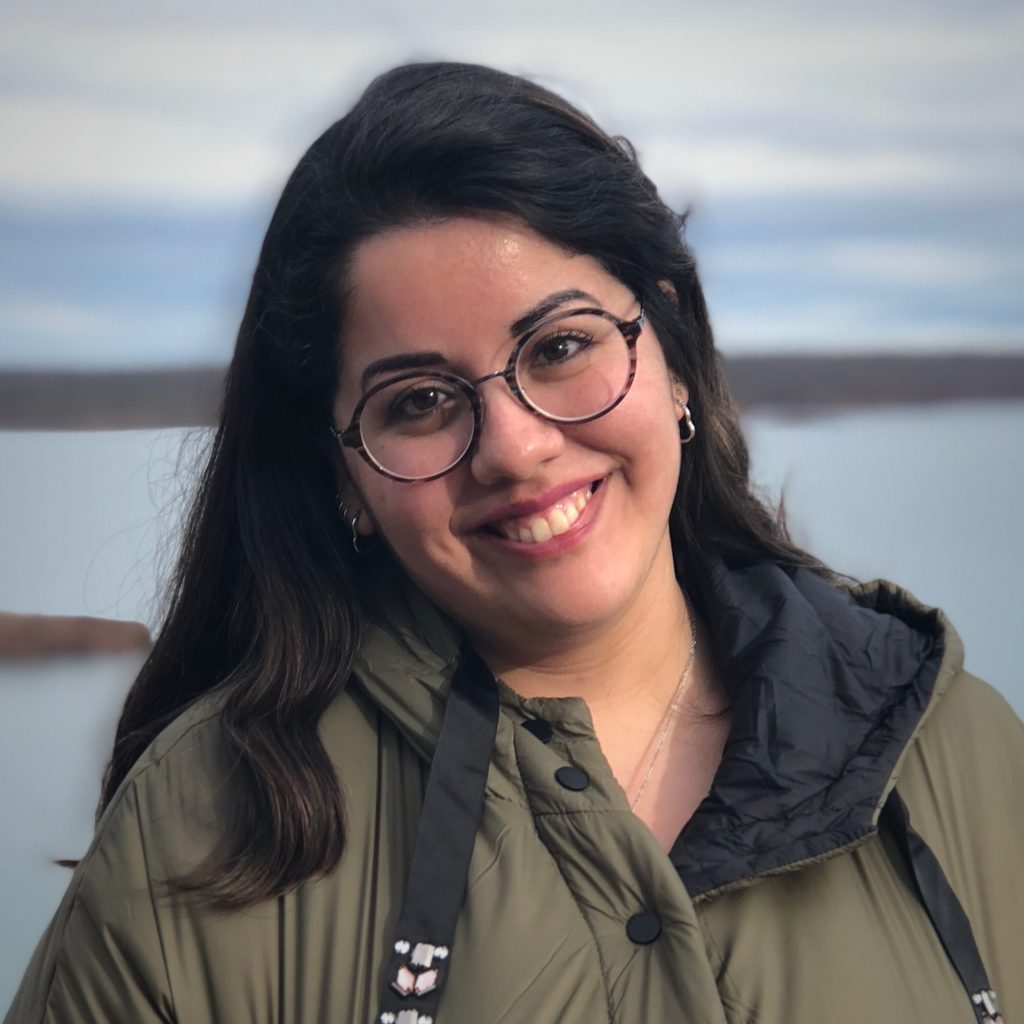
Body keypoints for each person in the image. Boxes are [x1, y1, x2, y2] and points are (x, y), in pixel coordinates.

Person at [6, 61, 1022, 1024]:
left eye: (561, 346)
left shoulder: (952, 752)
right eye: (419, 401)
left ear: (671, 347)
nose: (516, 448)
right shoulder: (199, 839)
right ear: (342, 473)